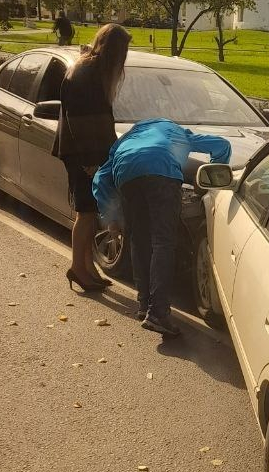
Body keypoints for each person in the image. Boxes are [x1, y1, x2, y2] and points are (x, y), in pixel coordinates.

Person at [94, 119, 232, 338]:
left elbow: (100, 178)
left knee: (138, 240)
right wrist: (214, 185)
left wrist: (111, 218)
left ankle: (144, 305)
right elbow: (222, 145)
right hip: (162, 172)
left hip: (127, 174)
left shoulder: (126, 140)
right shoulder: (176, 132)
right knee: (163, 242)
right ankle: (158, 312)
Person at [52, 23, 131, 292]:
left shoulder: (92, 69)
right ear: (114, 50)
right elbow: (78, 121)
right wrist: (89, 161)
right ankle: (78, 268)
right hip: (81, 154)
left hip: (87, 152)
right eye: (123, 51)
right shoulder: (85, 74)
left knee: (87, 211)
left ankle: (87, 267)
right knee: (85, 213)